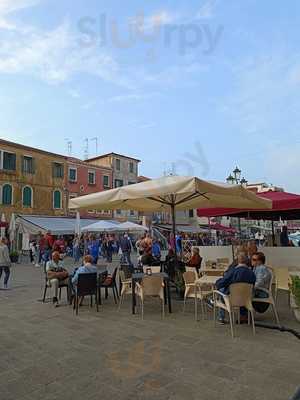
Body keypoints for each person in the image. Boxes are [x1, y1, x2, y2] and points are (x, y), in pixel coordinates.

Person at [215, 253, 256, 324]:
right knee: (242, 291)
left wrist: (217, 282)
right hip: (246, 299)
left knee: (221, 290)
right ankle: (243, 315)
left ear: (237, 261)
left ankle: (221, 317)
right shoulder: (252, 273)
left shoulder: (233, 272)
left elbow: (221, 283)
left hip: (232, 298)